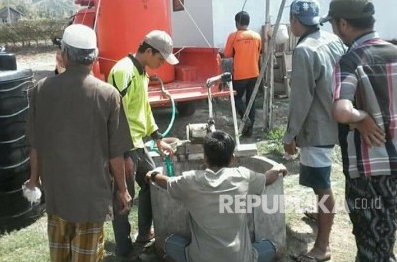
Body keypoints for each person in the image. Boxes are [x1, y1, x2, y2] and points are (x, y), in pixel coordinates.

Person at [25, 24, 133, 262]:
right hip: (91, 199)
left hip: (57, 195)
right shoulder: (108, 95)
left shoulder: (41, 90)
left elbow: (36, 145)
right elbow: (116, 153)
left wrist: (33, 182)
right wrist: (123, 190)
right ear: (94, 57)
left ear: (63, 55)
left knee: (59, 255)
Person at [321, 0, 397, 261]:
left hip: (366, 172)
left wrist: (361, 118)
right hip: (396, 166)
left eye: (334, 24)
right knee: (384, 239)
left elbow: (341, 110)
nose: (335, 30)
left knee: (371, 246)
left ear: (344, 24)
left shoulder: (351, 60)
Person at [146, 130, 287, 262]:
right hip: (240, 258)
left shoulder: (190, 180)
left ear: (205, 158)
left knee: (160, 244)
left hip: (200, 259)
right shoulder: (243, 176)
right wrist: (278, 168)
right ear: (232, 158)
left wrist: (153, 174)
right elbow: (267, 178)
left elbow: (167, 182)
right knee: (278, 249)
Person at [283, 0, 345, 262]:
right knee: (321, 181)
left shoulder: (304, 50)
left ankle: (322, 247)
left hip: (316, 126)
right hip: (337, 119)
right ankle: (320, 215)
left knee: (322, 185)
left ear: (295, 21)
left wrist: (290, 135)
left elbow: (301, 99)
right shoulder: (334, 40)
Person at [107, 30, 178, 260]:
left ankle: (144, 233)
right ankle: (125, 250)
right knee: (122, 196)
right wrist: (123, 153)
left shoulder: (142, 73)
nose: (162, 63)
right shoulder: (123, 71)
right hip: (125, 146)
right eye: (160, 58)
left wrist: (157, 137)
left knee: (151, 183)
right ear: (148, 51)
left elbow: (144, 109)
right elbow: (114, 115)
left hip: (140, 143)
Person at [223, 11, 262, 136]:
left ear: (237, 23)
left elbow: (227, 54)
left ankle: (246, 120)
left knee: (235, 98)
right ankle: (249, 131)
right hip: (254, 73)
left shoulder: (233, 36)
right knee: (251, 101)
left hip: (240, 74)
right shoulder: (257, 36)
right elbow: (259, 51)